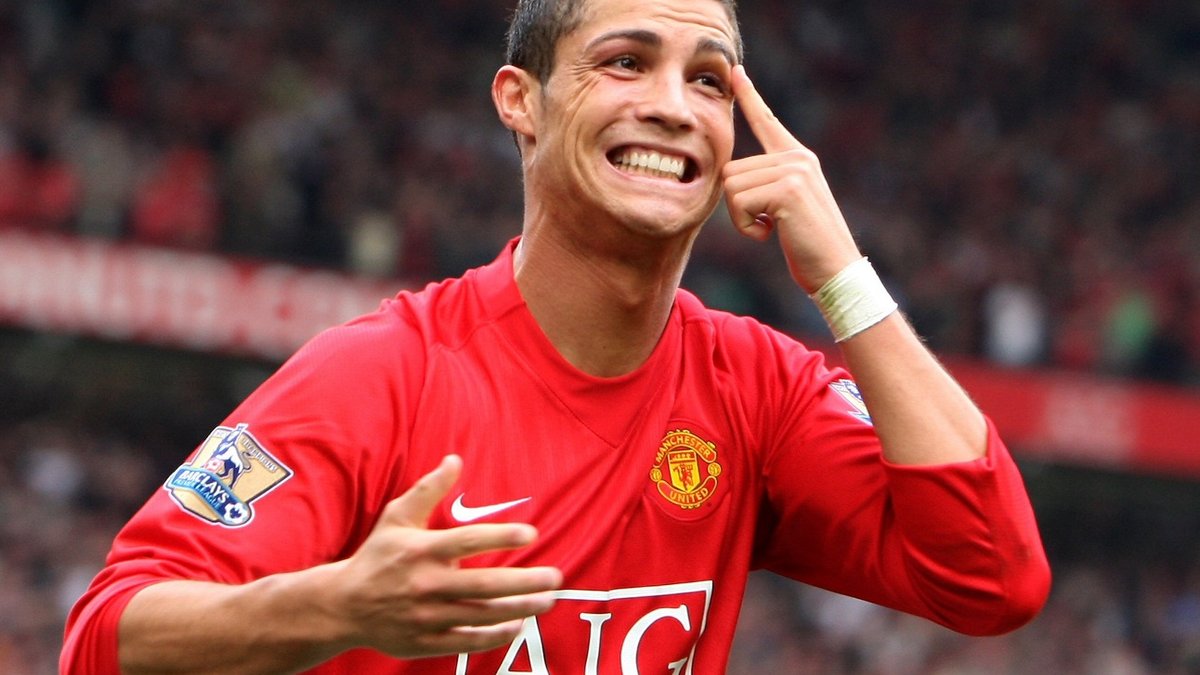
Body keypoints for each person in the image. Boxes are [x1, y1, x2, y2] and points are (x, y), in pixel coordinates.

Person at [61, 0, 1051, 672]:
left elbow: (993, 579)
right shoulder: (383, 373)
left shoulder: (759, 390)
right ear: (520, 101)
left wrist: (843, 279)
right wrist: (337, 607)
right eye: (625, 63)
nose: (671, 106)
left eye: (710, 80)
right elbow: (104, 636)